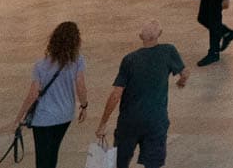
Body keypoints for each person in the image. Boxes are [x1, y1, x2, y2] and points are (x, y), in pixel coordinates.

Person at [94, 21, 187, 168]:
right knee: (153, 163)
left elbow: (115, 95)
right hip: (156, 121)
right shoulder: (168, 51)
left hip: (129, 122)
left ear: (140, 37)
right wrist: (182, 81)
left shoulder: (129, 59)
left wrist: (103, 123)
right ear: (160, 35)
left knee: (120, 162)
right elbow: (184, 73)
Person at [11, 21, 87, 168]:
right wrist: (84, 106)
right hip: (65, 115)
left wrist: (19, 117)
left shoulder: (41, 65)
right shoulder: (78, 61)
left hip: (44, 117)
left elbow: (33, 93)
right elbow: (81, 86)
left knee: (43, 158)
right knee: (52, 154)